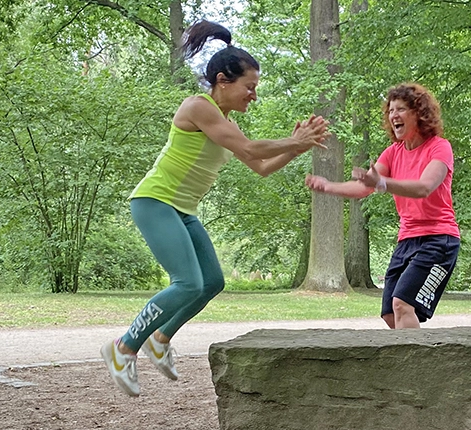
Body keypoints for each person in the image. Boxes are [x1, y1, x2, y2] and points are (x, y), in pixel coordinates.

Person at [102, 21, 329, 397]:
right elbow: (255, 150)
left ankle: (160, 338)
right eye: (250, 87)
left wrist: (298, 147)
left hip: (182, 210)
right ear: (223, 80)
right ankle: (123, 348)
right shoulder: (198, 107)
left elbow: (260, 167)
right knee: (187, 283)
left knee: (211, 282)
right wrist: (293, 138)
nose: (253, 95)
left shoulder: (225, 121)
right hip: (155, 202)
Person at [305, 82, 459, 329]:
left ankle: (415, 366)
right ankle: (412, 357)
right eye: (390, 110)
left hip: (439, 240)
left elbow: (424, 187)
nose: (393, 116)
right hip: (407, 239)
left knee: (402, 304)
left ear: (419, 113)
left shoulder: (439, 147)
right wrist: (328, 186)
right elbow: (364, 187)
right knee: (389, 313)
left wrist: (383, 183)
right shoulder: (392, 153)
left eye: (400, 110)